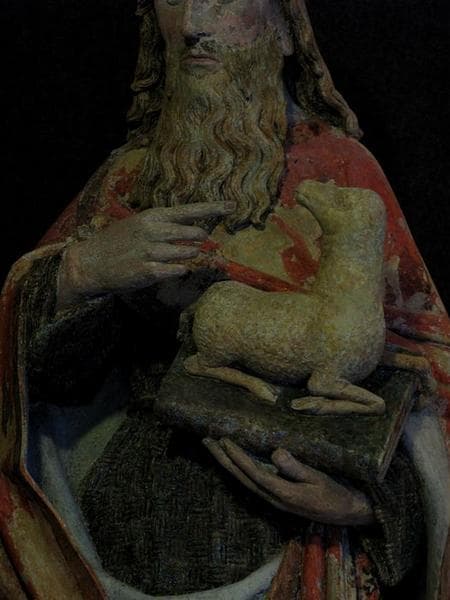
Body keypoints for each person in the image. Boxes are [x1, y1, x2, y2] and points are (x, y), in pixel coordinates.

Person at [0, 0, 448, 598]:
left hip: (289, 553)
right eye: (173, 0)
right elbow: (47, 384)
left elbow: (428, 385)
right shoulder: (127, 180)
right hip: (114, 539)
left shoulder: (341, 177)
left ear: (284, 30)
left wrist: (368, 505)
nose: (191, 25)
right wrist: (80, 272)